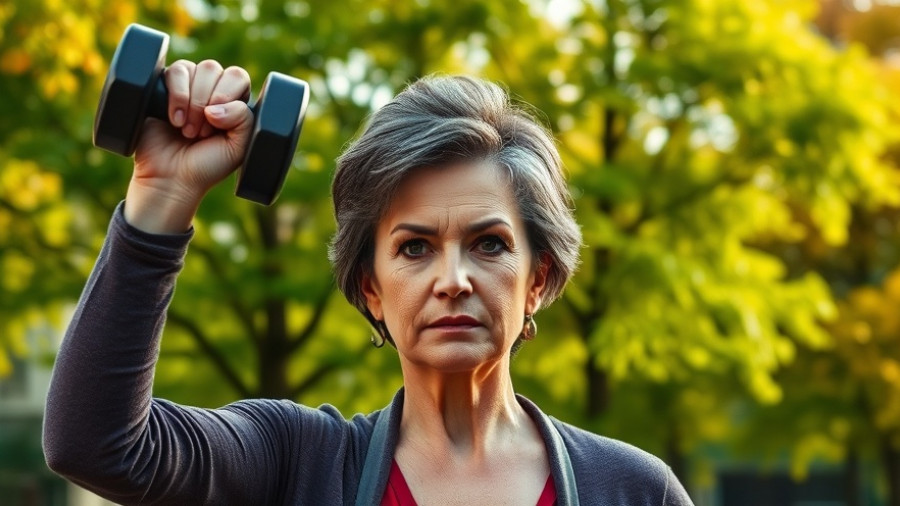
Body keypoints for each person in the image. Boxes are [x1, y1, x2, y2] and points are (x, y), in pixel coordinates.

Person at [43, 58, 694, 505]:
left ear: (537, 278)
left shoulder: (632, 489)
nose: (453, 279)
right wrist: (163, 195)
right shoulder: (296, 463)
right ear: (371, 288)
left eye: (489, 244)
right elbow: (96, 444)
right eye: (414, 248)